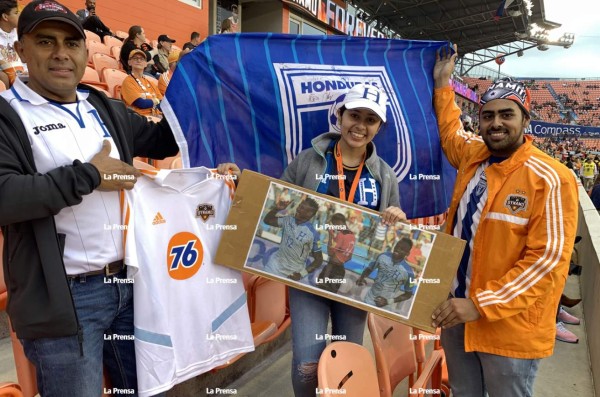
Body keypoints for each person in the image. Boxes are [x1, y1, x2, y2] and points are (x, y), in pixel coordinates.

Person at [0, 1, 179, 395]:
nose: (61, 53)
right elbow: (6, 196)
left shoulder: (101, 106)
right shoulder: (7, 114)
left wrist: (198, 88)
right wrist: (91, 174)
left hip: (131, 285)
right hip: (66, 299)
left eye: (72, 42)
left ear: (84, 52)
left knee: (144, 390)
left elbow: (165, 139)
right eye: (46, 41)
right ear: (22, 48)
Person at [431, 45, 578, 397]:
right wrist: (442, 84)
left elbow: (546, 263)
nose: (496, 123)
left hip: (508, 331)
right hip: (456, 316)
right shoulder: (473, 156)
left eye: (506, 115)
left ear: (525, 120)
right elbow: (451, 131)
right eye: (488, 115)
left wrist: (479, 305)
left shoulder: (551, 177)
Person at [278, 83, 406, 396]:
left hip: (354, 284)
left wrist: (396, 217)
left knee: (348, 361)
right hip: (307, 277)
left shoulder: (385, 175)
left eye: (371, 120)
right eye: (354, 115)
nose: (360, 126)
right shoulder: (309, 160)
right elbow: (277, 203)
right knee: (306, 365)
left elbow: (390, 235)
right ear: (341, 115)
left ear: (379, 127)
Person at [263, 197, 323, 280]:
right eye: (299, 206)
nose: (298, 208)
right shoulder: (287, 220)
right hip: (273, 267)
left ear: (309, 213)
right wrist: (276, 209)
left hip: (291, 275)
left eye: (302, 208)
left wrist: (302, 274)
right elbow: (267, 221)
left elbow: (319, 260)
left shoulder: (314, 235)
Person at [356, 237, 414, 308]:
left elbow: (408, 294)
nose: (397, 249)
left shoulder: (409, 273)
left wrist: (388, 302)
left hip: (386, 307)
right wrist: (362, 277)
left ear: (407, 253)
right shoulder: (383, 256)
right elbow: (370, 268)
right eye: (397, 246)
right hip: (369, 299)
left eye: (402, 249)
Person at [316, 212, 355, 293]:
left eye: (334, 224)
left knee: (319, 293)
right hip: (341, 270)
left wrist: (330, 235)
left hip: (331, 269)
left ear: (338, 222)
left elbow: (330, 252)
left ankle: (324, 281)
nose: (334, 226)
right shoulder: (352, 235)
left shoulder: (341, 235)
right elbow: (349, 257)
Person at [121, 49, 163, 118]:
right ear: (129, 62)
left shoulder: (151, 83)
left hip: (156, 116)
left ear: (146, 63)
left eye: (142, 59)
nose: (139, 60)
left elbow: (161, 104)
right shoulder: (128, 82)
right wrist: (156, 101)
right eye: (135, 58)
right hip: (139, 118)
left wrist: (152, 101)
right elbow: (141, 103)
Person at [0, 0, 25, 87]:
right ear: (5, 17)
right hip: (4, 71)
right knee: (3, 77)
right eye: (16, 13)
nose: (20, 15)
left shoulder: (16, 32)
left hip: (17, 68)